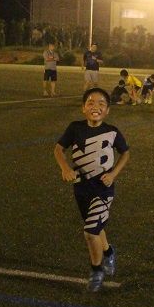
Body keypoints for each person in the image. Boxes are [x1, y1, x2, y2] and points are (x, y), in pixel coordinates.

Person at [54, 87, 131, 292]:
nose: (95, 107)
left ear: (107, 110)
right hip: (81, 187)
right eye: (90, 102)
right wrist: (65, 168)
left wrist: (113, 174)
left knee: (90, 232)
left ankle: (96, 271)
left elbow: (125, 153)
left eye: (101, 104)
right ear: (83, 108)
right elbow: (58, 148)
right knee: (96, 226)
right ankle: (109, 252)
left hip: (103, 188)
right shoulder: (75, 128)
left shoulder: (112, 131)